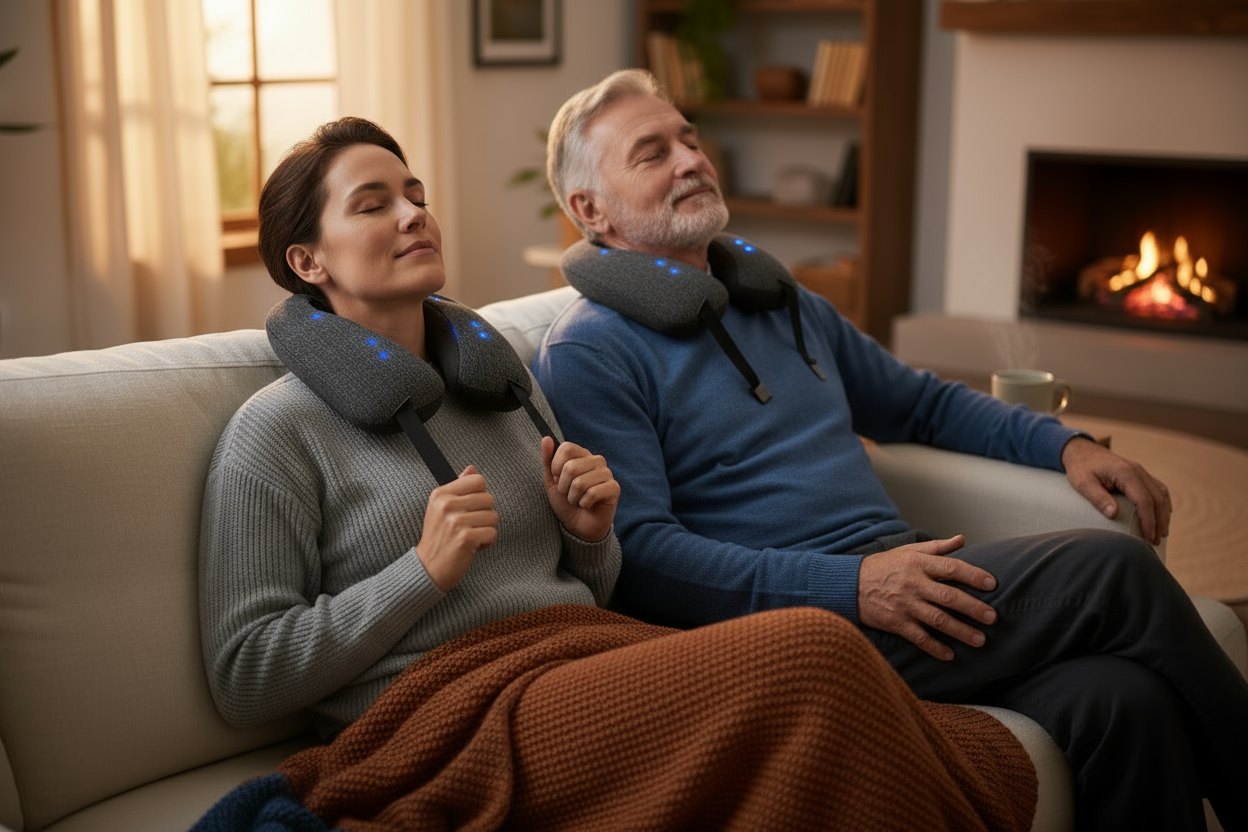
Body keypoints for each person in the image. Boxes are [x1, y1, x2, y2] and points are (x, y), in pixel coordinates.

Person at [195, 116, 1040, 831]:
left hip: (580, 659)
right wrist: (419, 574)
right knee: (812, 651)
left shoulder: (496, 384)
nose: (414, 214)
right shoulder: (276, 434)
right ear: (309, 262)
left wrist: (588, 535)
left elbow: (591, 588)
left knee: (847, 716)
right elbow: (246, 676)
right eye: (374, 204)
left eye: (415, 193)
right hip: (448, 716)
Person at [532, 69, 1248, 832]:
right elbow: (643, 557)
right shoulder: (589, 354)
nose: (690, 160)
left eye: (690, 139)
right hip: (804, 629)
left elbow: (920, 403)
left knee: (1120, 703)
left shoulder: (780, 301)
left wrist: (1063, 443)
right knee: (1116, 570)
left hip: (904, 577)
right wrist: (853, 585)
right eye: (652, 152)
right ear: (590, 211)